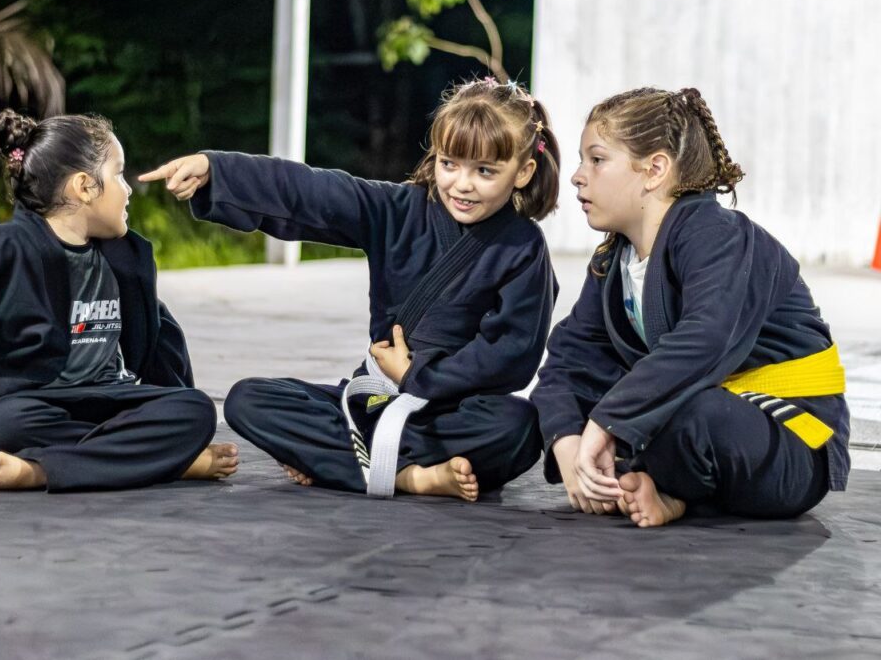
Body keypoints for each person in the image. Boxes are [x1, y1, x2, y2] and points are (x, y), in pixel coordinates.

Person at [140, 78, 560, 501]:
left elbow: (512, 353)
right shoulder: (398, 210)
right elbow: (312, 190)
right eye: (450, 163)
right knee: (247, 400)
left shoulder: (522, 247)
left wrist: (418, 377)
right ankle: (409, 476)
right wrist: (218, 171)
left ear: (523, 172)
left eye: (485, 171)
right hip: (373, 406)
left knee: (519, 426)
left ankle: (342, 462)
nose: (462, 184)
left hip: (451, 414)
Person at [533, 87, 850, 526]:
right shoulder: (615, 259)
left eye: (597, 159)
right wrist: (567, 442)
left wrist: (605, 424)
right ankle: (668, 489)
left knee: (689, 412)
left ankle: (669, 487)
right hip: (695, 435)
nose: (578, 176)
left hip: (787, 444)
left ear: (654, 169)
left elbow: (706, 338)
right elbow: (568, 360)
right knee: (593, 406)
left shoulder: (716, 234)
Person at [0, 109, 239, 492]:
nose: (128, 188)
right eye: (118, 174)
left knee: (195, 410)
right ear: (84, 186)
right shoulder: (2, 251)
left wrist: (176, 395)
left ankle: (41, 469)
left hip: (110, 398)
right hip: (37, 404)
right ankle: (158, 461)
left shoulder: (124, 258)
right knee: (1, 423)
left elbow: (158, 330)